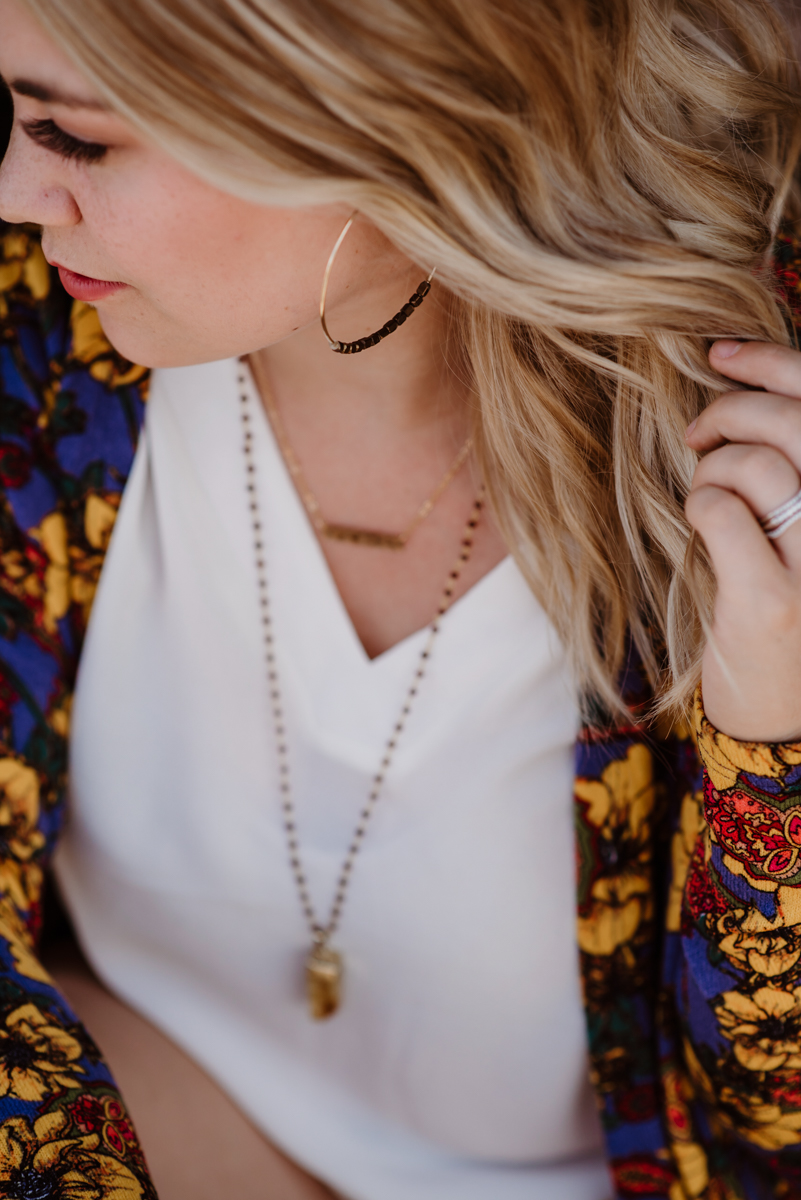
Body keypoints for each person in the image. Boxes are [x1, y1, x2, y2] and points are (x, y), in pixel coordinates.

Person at [0, 0, 800, 1197]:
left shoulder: (752, 439)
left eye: (77, 137)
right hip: (145, 1108)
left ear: (380, 118)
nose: (17, 192)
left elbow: (773, 1118)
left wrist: (775, 738)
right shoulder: (45, 346)